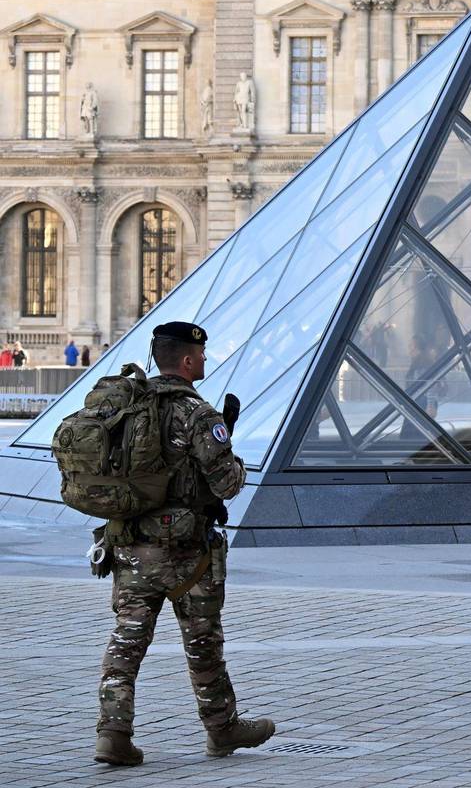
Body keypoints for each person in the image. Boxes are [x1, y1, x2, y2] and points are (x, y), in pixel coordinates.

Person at [94, 322, 274, 766]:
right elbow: (225, 483)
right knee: (202, 642)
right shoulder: (198, 414)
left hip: (131, 544)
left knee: (126, 642)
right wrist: (236, 461)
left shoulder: (128, 406)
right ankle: (222, 728)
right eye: (203, 355)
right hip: (186, 554)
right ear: (189, 360)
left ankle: (113, 733)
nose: (206, 361)